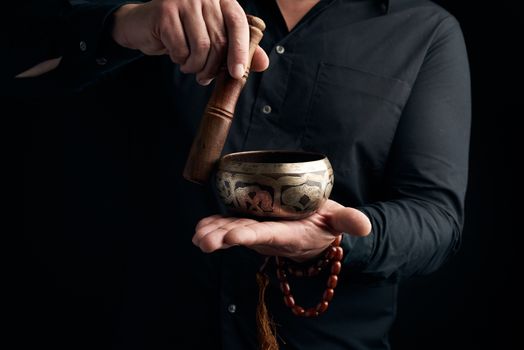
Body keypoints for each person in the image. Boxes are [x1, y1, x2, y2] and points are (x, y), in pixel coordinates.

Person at [10, 0, 471, 349]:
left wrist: (337, 239)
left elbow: (435, 220)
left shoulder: (424, 30)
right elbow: (21, 61)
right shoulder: (169, 3)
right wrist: (120, 25)